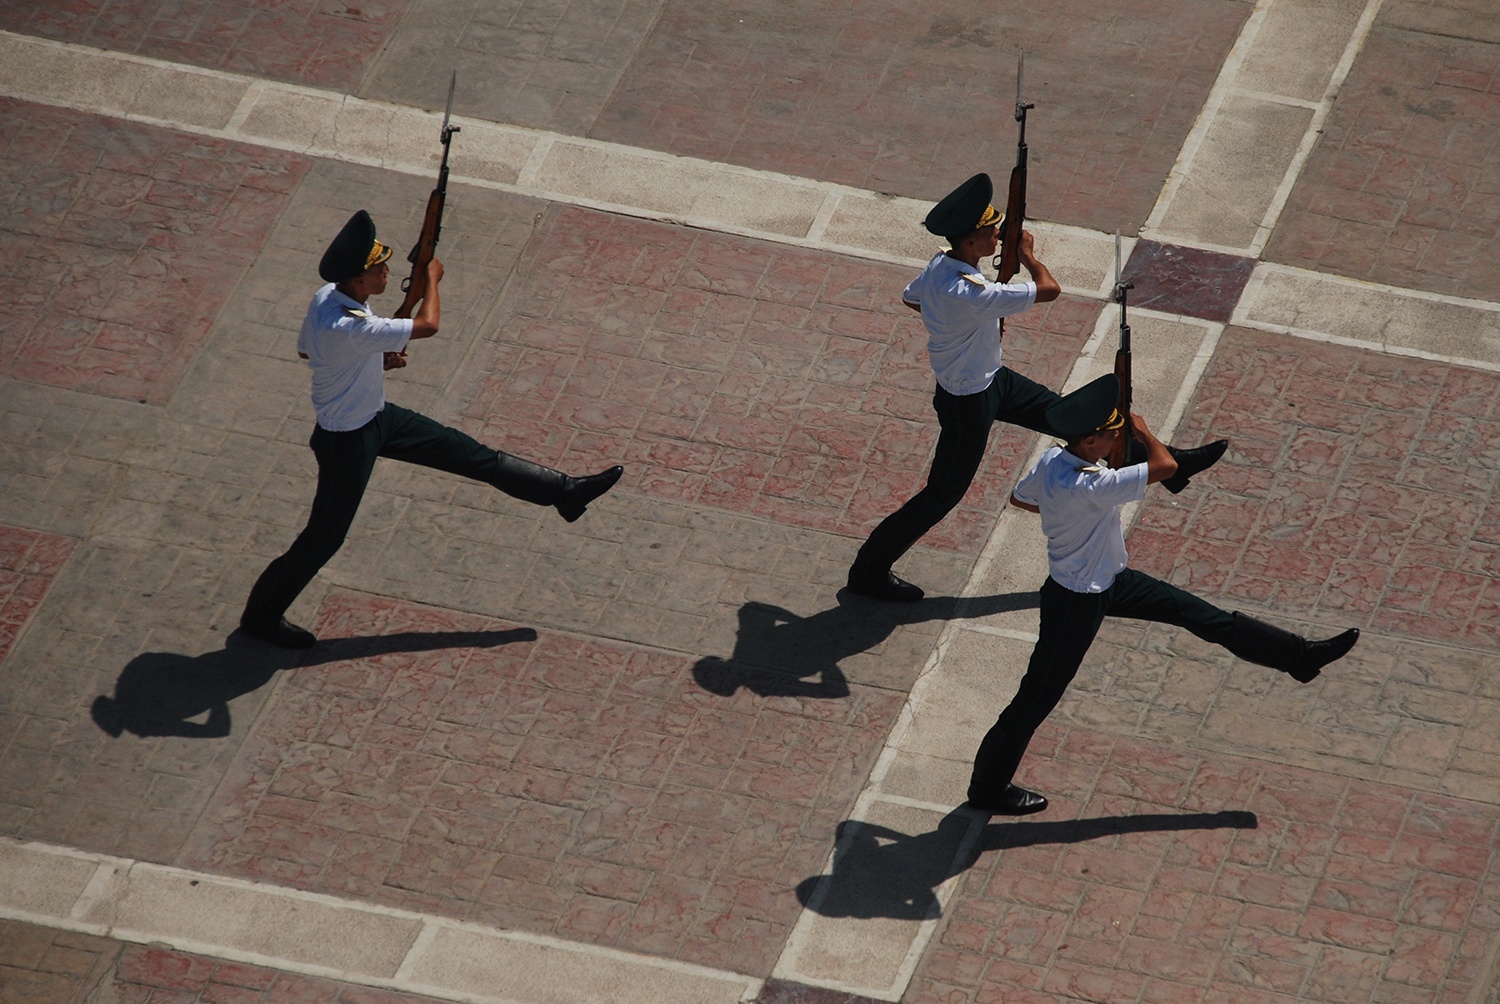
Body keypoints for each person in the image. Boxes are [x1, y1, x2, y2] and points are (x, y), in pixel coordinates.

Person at [966, 374, 1359, 815]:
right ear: (1091, 440)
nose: (1117, 435)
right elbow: (1168, 467)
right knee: (1035, 697)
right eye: (1111, 433)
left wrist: (1066, 514)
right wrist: (1144, 432)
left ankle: (1298, 656)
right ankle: (986, 788)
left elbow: (1023, 500)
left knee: (1201, 616)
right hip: (1076, 600)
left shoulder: (1053, 464)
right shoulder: (1093, 487)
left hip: (1113, 581)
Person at [239, 210, 623, 649]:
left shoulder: (329, 297)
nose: (387, 271)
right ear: (359, 280)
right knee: (323, 538)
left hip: (379, 417)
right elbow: (428, 325)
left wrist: (371, 358)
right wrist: (433, 277)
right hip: (347, 438)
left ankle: (564, 491)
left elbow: (312, 354)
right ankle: (261, 617)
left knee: (468, 453)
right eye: (378, 268)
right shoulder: (348, 324)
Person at [846, 173, 1227, 602]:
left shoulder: (942, 268)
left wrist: (959, 323)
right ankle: (868, 571)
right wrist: (1026, 255)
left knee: (1075, 418)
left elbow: (912, 297)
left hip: (993, 381)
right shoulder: (972, 293)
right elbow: (1050, 289)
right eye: (992, 231)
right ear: (971, 241)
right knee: (942, 494)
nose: (998, 234)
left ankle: (1175, 465)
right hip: (967, 400)